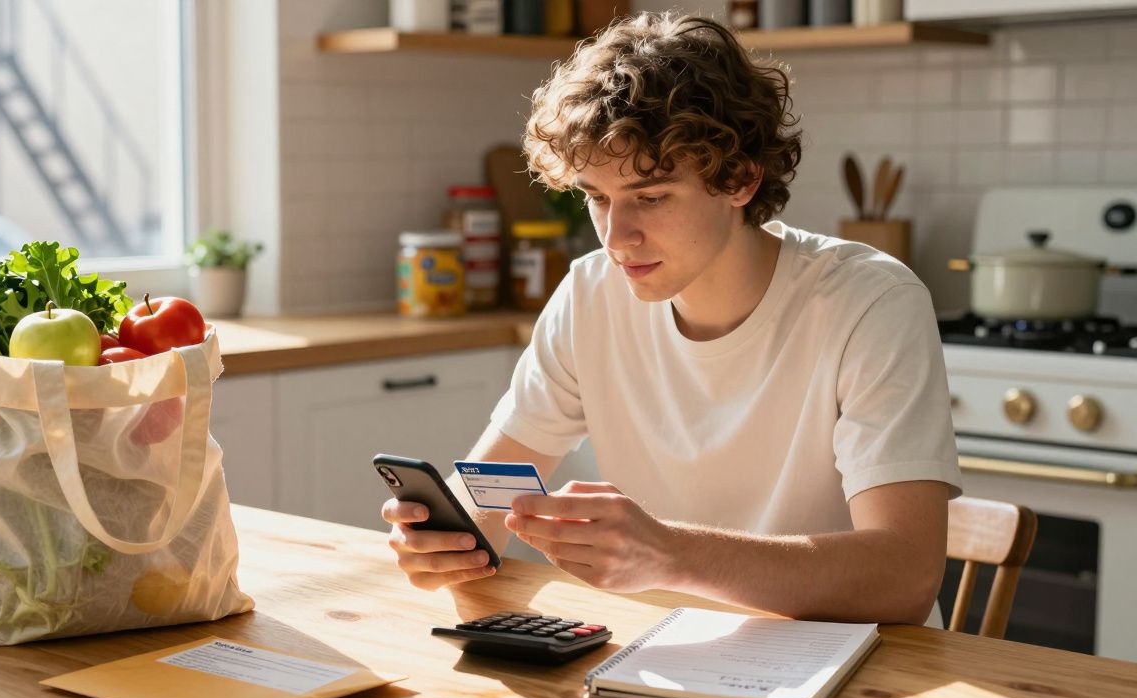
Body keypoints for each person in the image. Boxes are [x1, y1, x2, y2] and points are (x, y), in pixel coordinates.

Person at [381, 12, 961, 625]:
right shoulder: (590, 293)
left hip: (861, 670)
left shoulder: (869, 302)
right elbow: (499, 478)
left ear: (740, 178)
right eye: (597, 198)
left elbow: (905, 576)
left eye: (651, 197)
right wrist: (448, 531)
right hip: (666, 651)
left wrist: (669, 554)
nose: (617, 237)